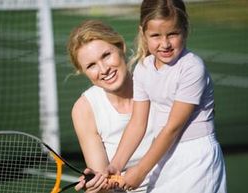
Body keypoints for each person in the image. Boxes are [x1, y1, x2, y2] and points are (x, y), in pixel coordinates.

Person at [106, 0, 227, 192]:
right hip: (164, 156)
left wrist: (140, 171)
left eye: (173, 34)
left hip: (197, 158)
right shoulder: (143, 68)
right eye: (155, 35)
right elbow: (137, 123)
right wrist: (115, 165)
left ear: (185, 30)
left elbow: (172, 127)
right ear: (143, 34)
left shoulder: (192, 67)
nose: (165, 44)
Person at [67, 20, 154, 193]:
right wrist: (98, 188)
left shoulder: (155, 81)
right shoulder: (84, 109)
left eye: (106, 55)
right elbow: (106, 184)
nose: (103, 69)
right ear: (83, 71)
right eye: (91, 66)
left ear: (120, 46)